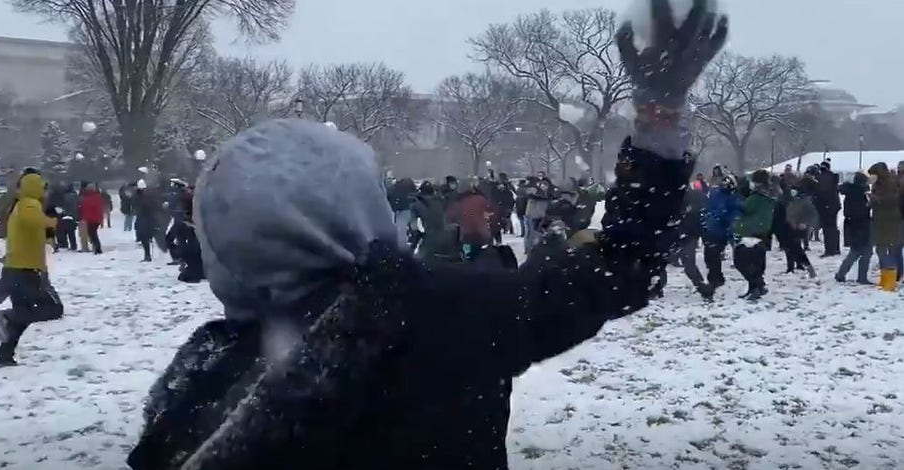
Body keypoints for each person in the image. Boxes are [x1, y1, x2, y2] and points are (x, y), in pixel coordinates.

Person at [126, 7, 727, 469]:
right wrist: (658, 118)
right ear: (359, 206)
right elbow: (621, 264)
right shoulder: (438, 314)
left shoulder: (195, 386)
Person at [0, 171, 62, 366]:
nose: (45, 192)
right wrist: (56, 221)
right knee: (54, 309)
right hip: (25, 271)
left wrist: (49, 231)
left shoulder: (22, 204)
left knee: (23, 315)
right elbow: (35, 221)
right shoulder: (29, 204)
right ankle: (4, 316)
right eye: (43, 187)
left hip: (17, 268)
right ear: (36, 188)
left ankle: (4, 355)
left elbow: (36, 227)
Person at [732, 170, 777, 300]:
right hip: (762, 231)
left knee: (741, 261)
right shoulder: (769, 195)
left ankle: (758, 284)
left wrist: (737, 200)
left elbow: (746, 208)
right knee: (755, 262)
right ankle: (755, 288)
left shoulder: (757, 197)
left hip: (751, 231)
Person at [703, 175, 740, 289]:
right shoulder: (715, 193)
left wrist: (723, 218)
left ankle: (714, 280)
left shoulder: (733, 197)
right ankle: (717, 277)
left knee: (714, 255)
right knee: (709, 255)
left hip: (722, 230)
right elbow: (708, 207)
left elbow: (734, 214)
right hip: (711, 228)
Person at [836, 172, 872, 284]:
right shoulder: (859, 193)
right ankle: (860, 277)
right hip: (859, 225)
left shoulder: (852, 191)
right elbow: (860, 211)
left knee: (856, 251)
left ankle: (842, 274)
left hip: (852, 225)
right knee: (862, 251)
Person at [447, 177, 493, 260]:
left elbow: (451, 218)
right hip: (483, 235)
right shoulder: (481, 199)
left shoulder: (458, 203)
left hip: (466, 236)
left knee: (468, 259)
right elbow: (491, 212)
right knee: (485, 258)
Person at [868, 162, 902, 275]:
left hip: (890, 220)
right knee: (882, 248)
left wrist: (875, 199)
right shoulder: (878, 183)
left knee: (891, 248)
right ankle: (889, 273)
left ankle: (894, 274)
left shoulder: (890, 183)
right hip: (881, 219)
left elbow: (893, 199)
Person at [781, 186, 818, 277]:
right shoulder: (789, 200)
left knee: (795, 248)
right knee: (791, 248)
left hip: (796, 228)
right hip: (788, 227)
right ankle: (795, 266)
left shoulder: (803, 202)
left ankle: (805, 268)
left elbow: (812, 215)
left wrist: (805, 223)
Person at [815, 160, 841, 257]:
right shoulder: (833, 177)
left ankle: (829, 250)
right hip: (834, 205)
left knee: (827, 229)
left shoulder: (820, 178)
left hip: (825, 206)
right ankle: (836, 248)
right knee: (833, 228)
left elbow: (819, 192)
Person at [134, 180, 159, 262]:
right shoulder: (147, 196)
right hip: (146, 219)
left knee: (145, 238)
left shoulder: (142, 197)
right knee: (145, 238)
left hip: (145, 219)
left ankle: (147, 255)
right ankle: (147, 255)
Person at [387, 177, 417, 246]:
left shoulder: (393, 189)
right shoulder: (409, 186)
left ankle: (401, 245)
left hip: (400, 209)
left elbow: (389, 198)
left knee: (401, 228)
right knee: (412, 226)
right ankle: (411, 240)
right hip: (409, 208)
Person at [79, 182, 106, 254]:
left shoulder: (85, 197)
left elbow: (83, 208)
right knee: (93, 234)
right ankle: (96, 247)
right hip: (96, 218)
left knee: (92, 234)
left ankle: (97, 248)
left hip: (89, 218)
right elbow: (100, 208)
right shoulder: (98, 197)